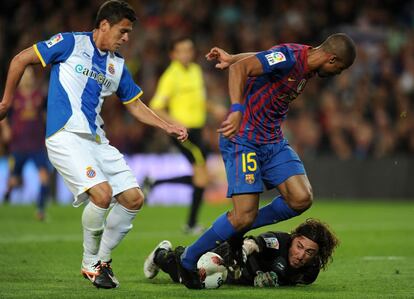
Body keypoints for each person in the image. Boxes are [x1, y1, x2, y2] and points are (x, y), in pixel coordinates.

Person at [0, 0, 187, 289]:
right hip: (65, 136)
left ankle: (103, 260)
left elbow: (135, 105)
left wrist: (167, 126)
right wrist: (6, 101)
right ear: (103, 26)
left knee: (134, 198)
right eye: (123, 31)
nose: (126, 38)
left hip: (96, 141)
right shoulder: (70, 43)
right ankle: (90, 264)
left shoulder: (117, 65)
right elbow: (20, 60)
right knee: (102, 195)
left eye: (129, 33)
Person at [174, 33, 356, 289]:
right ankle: (188, 259)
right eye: (340, 68)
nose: (339, 73)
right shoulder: (293, 57)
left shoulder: (307, 63)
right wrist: (237, 109)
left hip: (272, 140)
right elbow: (241, 69)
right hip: (243, 138)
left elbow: (259, 60)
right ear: (332, 58)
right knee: (242, 216)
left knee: (301, 198)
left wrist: (233, 56)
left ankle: (235, 226)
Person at [148, 37, 224, 234]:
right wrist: (174, 122)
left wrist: (213, 107)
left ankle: (156, 183)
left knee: (201, 176)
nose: (186, 53)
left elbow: (199, 101)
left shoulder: (195, 71)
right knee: (201, 175)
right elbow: (156, 107)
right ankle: (191, 224)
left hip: (197, 131)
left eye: (189, 49)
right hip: (182, 132)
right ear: (173, 54)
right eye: (181, 50)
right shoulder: (170, 76)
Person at [144, 218, 339, 288]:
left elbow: (283, 277)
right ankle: (162, 253)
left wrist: (274, 282)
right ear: (293, 238)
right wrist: (243, 254)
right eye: (299, 246)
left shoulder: (310, 273)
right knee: (186, 277)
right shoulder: (278, 241)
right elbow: (253, 243)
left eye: (309, 252)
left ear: (317, 255)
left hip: (240, 278)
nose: (301, 255)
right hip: (231, 257)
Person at [0, 66, 51, 221]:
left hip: (37, 144)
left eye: (30, 75)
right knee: (14, 181)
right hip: (18, 145)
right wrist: (6, 129)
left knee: (44, 177)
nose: (27, 78)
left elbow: (45, 117)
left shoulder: (39, 96)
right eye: (25, 75)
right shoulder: (14, 97)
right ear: (20, 78)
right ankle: (7, 195)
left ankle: (40, 210)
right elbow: (4, 116)